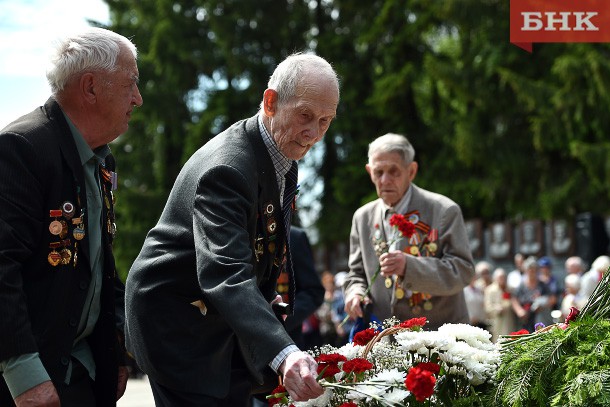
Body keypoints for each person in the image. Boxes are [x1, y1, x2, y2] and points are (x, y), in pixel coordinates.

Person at [125, 53, 339, 406]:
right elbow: (224, 272)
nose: (314, 133)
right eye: (305, 115)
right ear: (271, 102)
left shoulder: (279, 154)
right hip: (178, 326)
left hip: (215, 322)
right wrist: (284, 353)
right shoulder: (229, 169)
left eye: (325, 121)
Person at [0, 28, 142, 406]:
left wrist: (116, 354)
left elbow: (100, 266)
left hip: (82, 373)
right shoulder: (21, 148)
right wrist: (25, 376)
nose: (138, 99)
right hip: (29, 384)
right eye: (131, 85)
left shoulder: (101, 160)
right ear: (91, 87)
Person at [343, 133, 475, 331]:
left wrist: (409, 267)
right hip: (386, 342)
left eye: (393, 171)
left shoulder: (444, 211)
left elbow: (463, 271)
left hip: (440, 341)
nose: (385, 180)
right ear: (369, 171)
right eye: (378, 172)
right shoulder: (362, 217)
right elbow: (356, 274)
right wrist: (356, 293)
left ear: (411, 171)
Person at [282, 226, 324, 351]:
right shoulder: (234, 228)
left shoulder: (293, 237)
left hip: (286, 342)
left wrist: (279, 319)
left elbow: (313, 291)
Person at [484, 268, 517, 342]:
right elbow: (487, 307)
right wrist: (496, 309)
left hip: (509, 321)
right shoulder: (490, 290)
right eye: (500, 277)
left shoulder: (509, 289)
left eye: (504, 277)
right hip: (497, 323)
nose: (502, 279)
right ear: (495, 278)